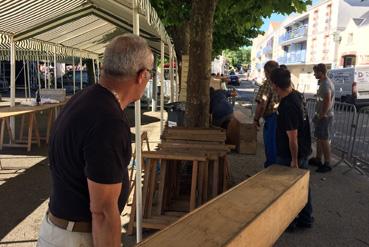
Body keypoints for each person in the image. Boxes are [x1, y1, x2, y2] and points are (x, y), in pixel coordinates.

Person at [37, 34, 154, 247]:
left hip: (62, 232)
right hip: (78, 238)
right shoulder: (108, 121)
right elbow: (102, 212)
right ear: (141, 75)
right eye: (150, 75)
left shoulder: (83, 99)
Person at [270, 67, 314, 229]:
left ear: (275, 85)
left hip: (291, 155)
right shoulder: (297, 95)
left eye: (271, 84)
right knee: (303, 186)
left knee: (287, 189)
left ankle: (290, 221)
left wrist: (294, 161)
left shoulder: (287, 106)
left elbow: (292, 137)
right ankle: (306, 218)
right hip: (303, 150)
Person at [253, 60, 280, 167]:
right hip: (282, 115)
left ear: (267, 72)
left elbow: (262, 104)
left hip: (272, 118)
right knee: (279, 144)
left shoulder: (268, 83)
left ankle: (271, 168)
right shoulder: (284, 81)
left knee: (271, 144)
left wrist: (256, 119)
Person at [309, 63, 335, 173]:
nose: (314, 74)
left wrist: (322, 114)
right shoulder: (324, 83)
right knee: (320, 138)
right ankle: (318, 159)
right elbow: (323, 98)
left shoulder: (325, 84)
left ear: (321, 72)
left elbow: (327, 100)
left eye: (315, 72)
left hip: (324, 117)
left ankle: (327, 163)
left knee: (324, 140)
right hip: (322, 116)